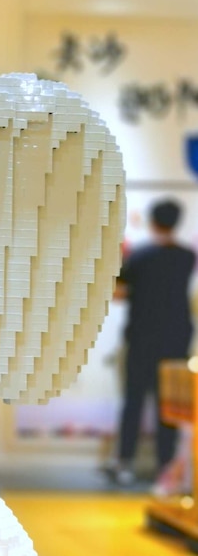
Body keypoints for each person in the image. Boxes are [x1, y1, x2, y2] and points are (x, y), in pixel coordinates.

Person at [107, 198, 195, 486]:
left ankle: (125, 463)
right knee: (168, 406)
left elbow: (119, 293)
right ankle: (165, 468)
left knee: (133, 401)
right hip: (176, 340)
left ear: (153, 220)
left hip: (142, 338)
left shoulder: (140, 256)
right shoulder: (186, 257)